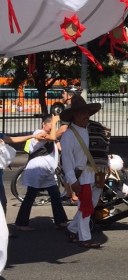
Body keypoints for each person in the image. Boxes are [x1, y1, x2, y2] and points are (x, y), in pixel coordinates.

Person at [62, 95, 105, 249]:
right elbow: (66, 161)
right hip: (81, 177)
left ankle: (72, 229)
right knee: (86, 207)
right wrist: (72, 181)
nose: (86, 115)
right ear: (74, 115)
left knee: (89, 206)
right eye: (82, 113)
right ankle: (84, 238)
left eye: (87, 112)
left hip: (93, 173)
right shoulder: (68, 135)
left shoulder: (90, 129)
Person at [14, 114, 68, 231]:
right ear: (44, 124)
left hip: (47, 172)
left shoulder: (51, 136)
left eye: (53, 124)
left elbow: (59, 145)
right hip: (37, 170)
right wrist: (54, 123)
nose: (52, 126)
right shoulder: (39, 132)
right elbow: (53, 137)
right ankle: (21, 223)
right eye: (50, 124)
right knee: (30, 196)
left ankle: (60, 221)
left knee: (55, 195)